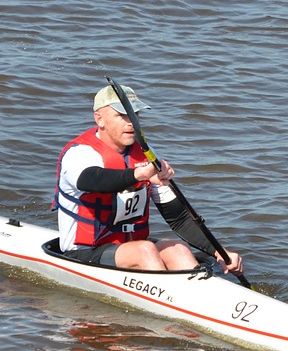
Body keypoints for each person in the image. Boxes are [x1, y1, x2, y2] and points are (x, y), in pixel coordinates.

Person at [53, 84, 244, 275]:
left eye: (136, 115)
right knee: (145, 250)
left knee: (178, 250)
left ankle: (198, 297)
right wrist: (139, 175)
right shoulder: (79, 153)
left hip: (131, 248)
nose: (132, 122)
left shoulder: (145, 155)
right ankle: (167, 300)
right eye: (123, 115)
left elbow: (178, 219)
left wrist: (218, 251)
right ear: (99, 119)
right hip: (84, 252)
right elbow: (92, 180)